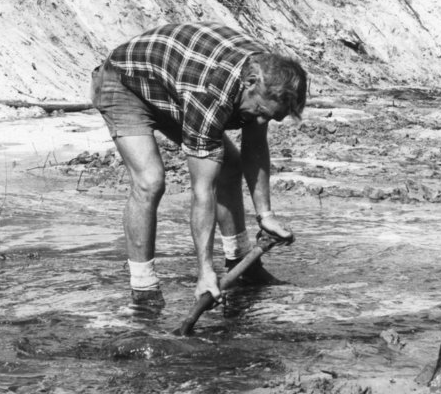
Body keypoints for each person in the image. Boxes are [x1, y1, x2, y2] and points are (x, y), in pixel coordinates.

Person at [90, 22, 307, 308]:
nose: (261, 122)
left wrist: (265, 215)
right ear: (250, 83)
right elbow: (203, 189)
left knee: (229, 165)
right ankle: (144, 290)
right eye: (261, 113)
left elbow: (254, 147)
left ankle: (240, 264)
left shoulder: (268, 76)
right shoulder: (211, 91)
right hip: (123, 84)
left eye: (271, 118)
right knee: (150, 181)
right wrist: (205, 272)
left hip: (171, 85)